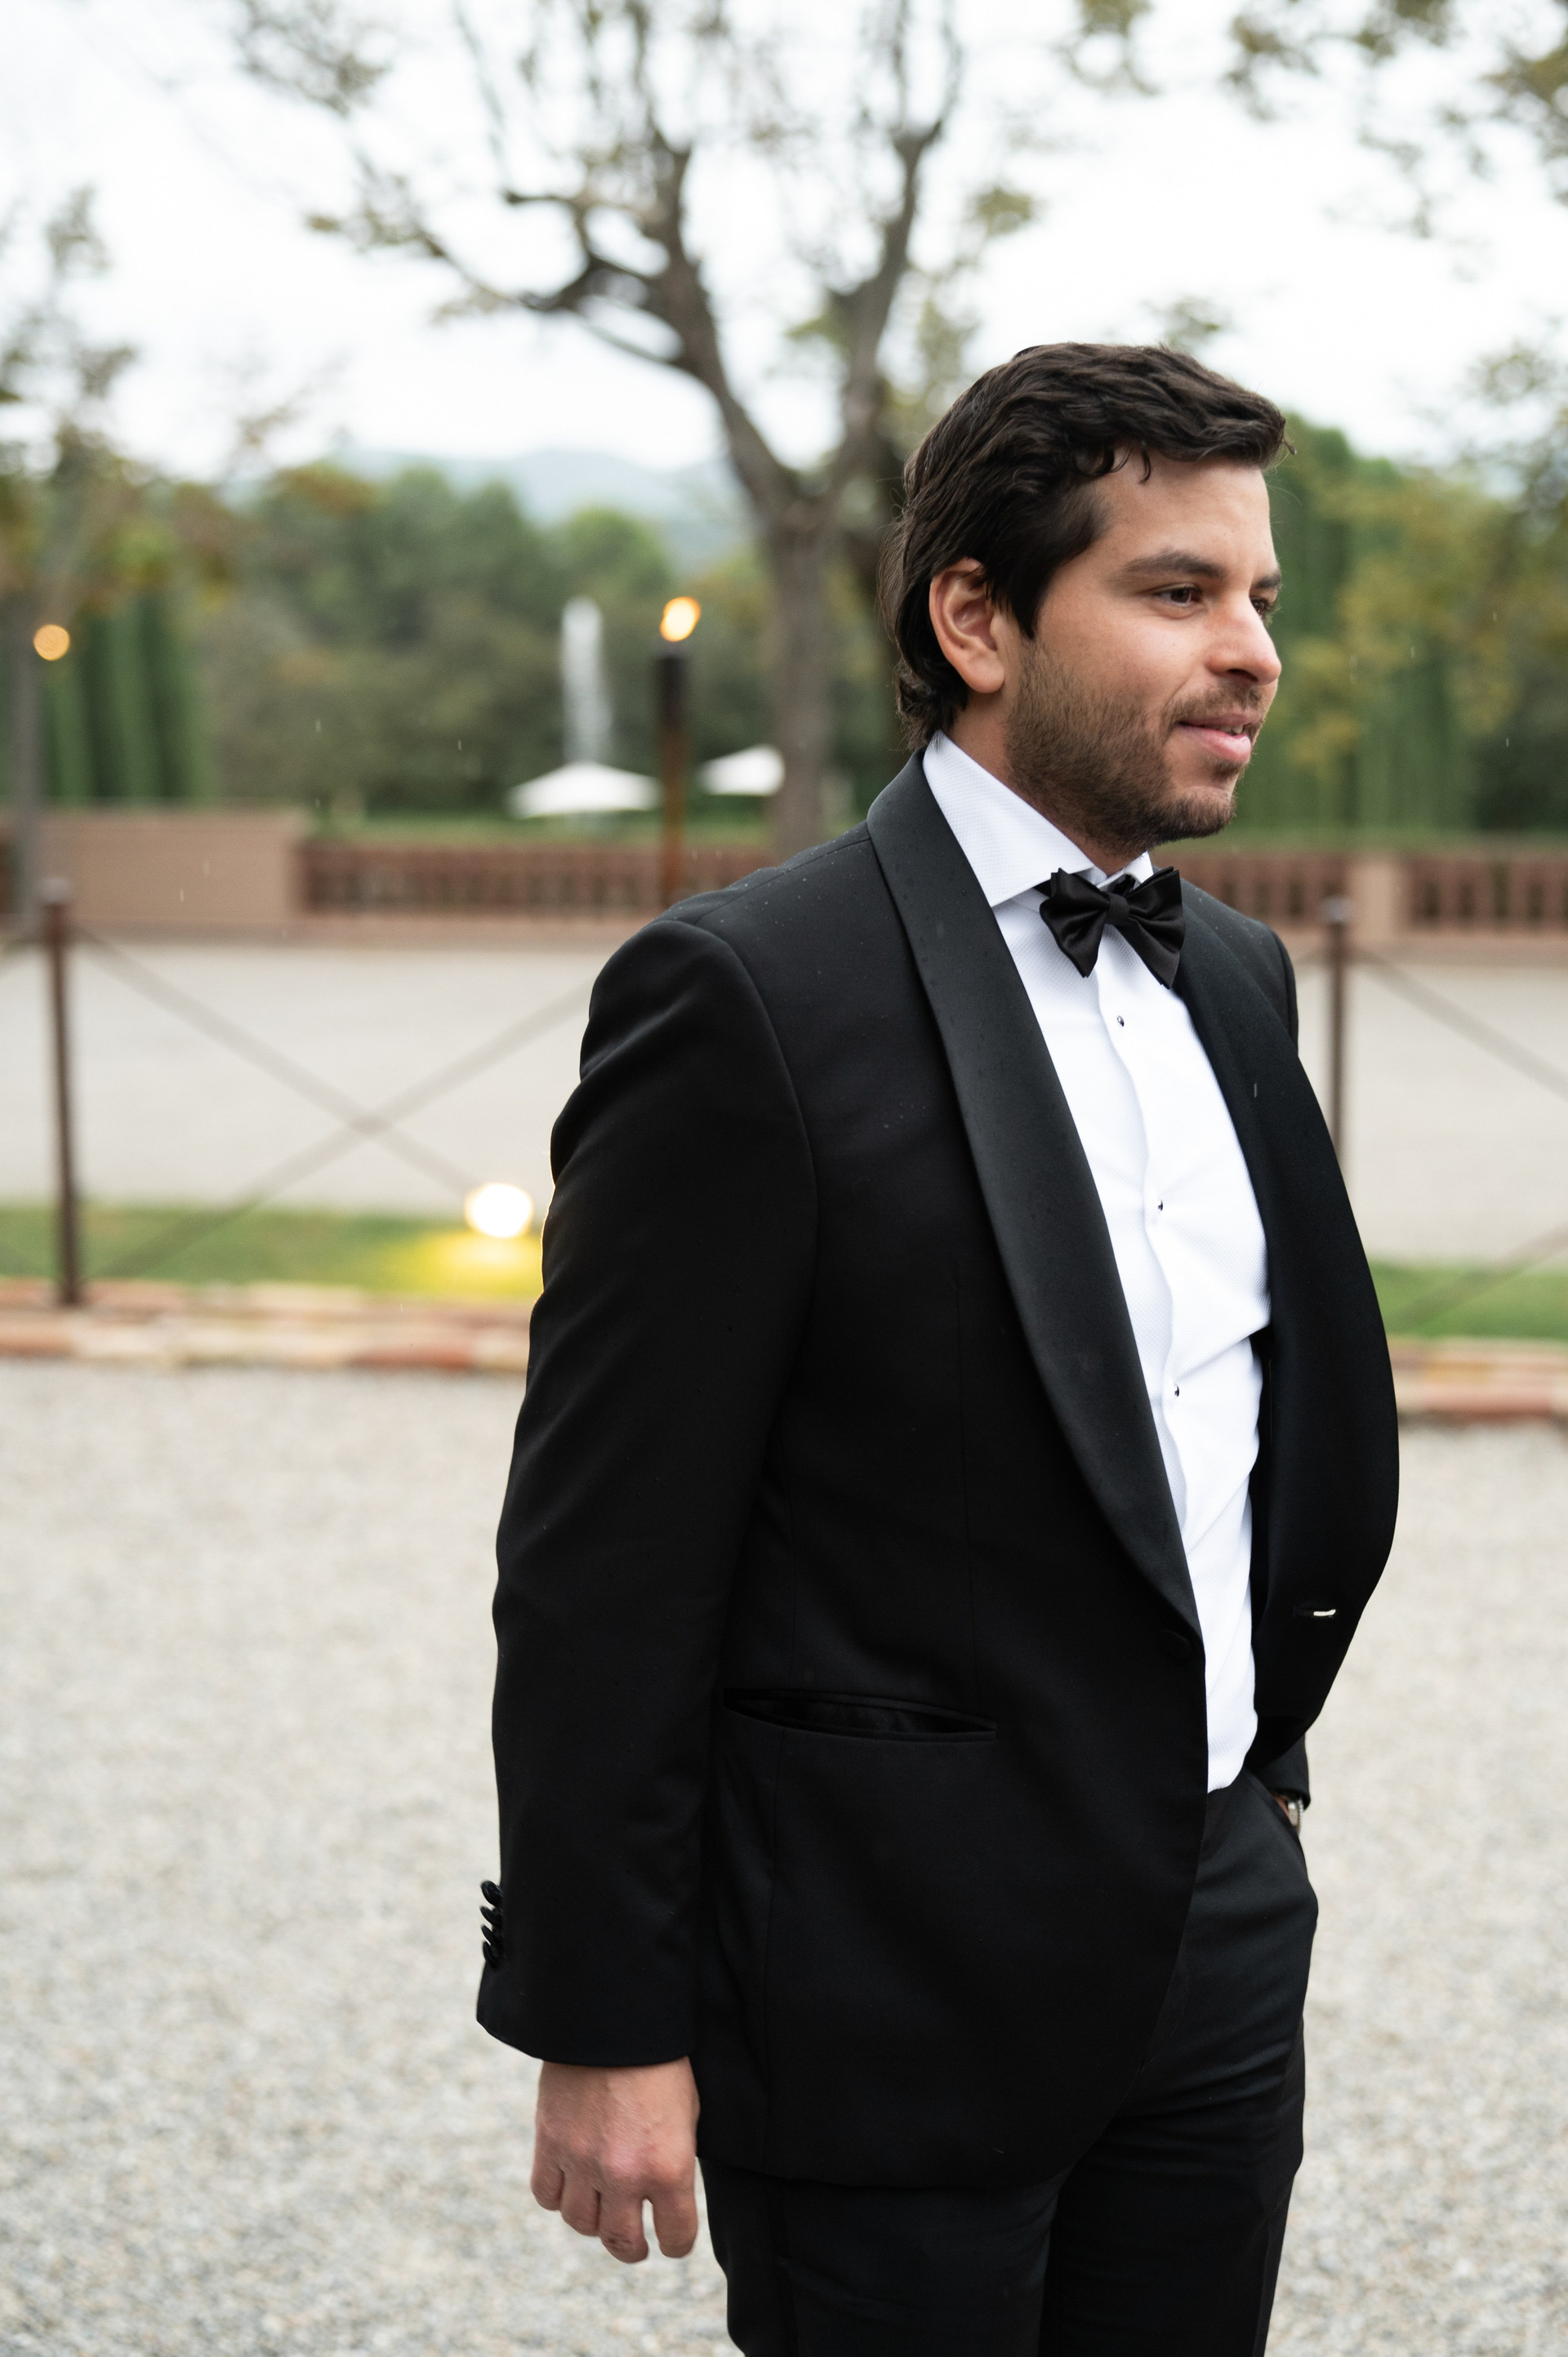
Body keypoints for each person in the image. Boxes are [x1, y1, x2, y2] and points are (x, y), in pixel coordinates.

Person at [476, 342, 1399, 2355]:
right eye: (1178, 591)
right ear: (977, 617)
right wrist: (603, 2015)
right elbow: (608, 1562)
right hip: (883, 1978)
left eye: (1261, 597)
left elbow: (1250, 1436)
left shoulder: (1238, 980)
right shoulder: (744, 999)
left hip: (1220, 1943)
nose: (1252, 650)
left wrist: (1260, 1795)